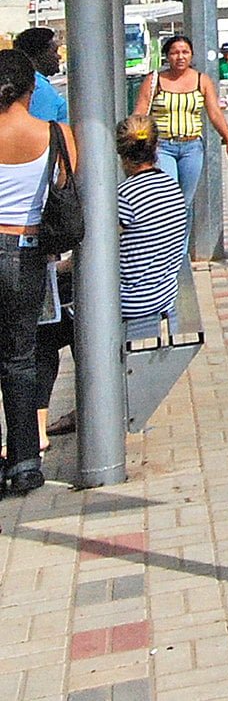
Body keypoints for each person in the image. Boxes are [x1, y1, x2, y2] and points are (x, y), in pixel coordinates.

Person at [0, 48, 77, 494]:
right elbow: (65, 188)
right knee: (20, 358)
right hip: (26, 253)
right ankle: (25, 462)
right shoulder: (57, 135)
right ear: (32, 90)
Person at [133, 34, 228, 216]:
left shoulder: (202, 80)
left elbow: (215, 113)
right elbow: (140, 114)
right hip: (162, 147)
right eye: (175, 53)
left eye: (185, 52)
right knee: (169, 199)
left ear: (191, 55)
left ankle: (182, 236)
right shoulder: (154, 81)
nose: (180, 57)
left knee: (185, 203)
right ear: (167, 56)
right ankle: (166, 234)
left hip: (192, 147)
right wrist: (139, 143)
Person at [111, 116, 189, 341]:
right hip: (164, 294)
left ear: (121, 153)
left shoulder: (124, 196)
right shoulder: (172, 187)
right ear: (156, 147)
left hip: (131, 302)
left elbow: (100, 247)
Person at [14, 28, 67, 124]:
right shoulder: (38, 88)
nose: (59, 57)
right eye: (54, 51)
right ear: (38, 55)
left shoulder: (27, 82)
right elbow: (43, 128)